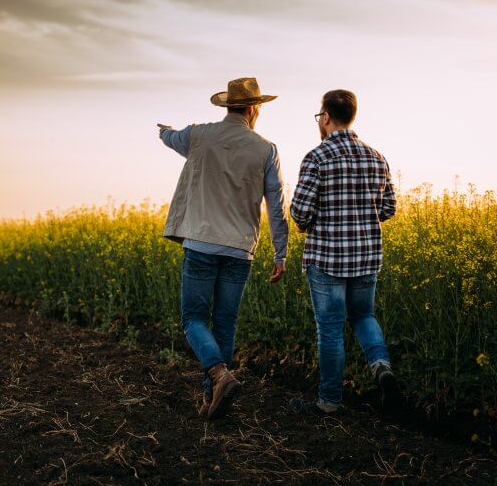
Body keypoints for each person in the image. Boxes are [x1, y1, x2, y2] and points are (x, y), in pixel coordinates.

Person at [157, 77, 289, 419]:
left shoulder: (199, 135)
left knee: (193, 319)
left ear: (227, 106)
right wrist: (280, 252)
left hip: (201, 244)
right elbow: (276, 205)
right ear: (254, 109)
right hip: (239, 251)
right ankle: (210, 399)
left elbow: (171, 138)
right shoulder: (266, 149)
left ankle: (218, 375)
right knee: (224, 324)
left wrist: (164, 130)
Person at [289, 89, 401, 417]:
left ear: (325, 117)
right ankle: (381, 366)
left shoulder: (316, 157)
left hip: (327, 260)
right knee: (363, 316)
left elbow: (300, 213)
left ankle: (329, 401)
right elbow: (389, 208)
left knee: (331, 327)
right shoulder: (376, 157)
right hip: (366, 257)